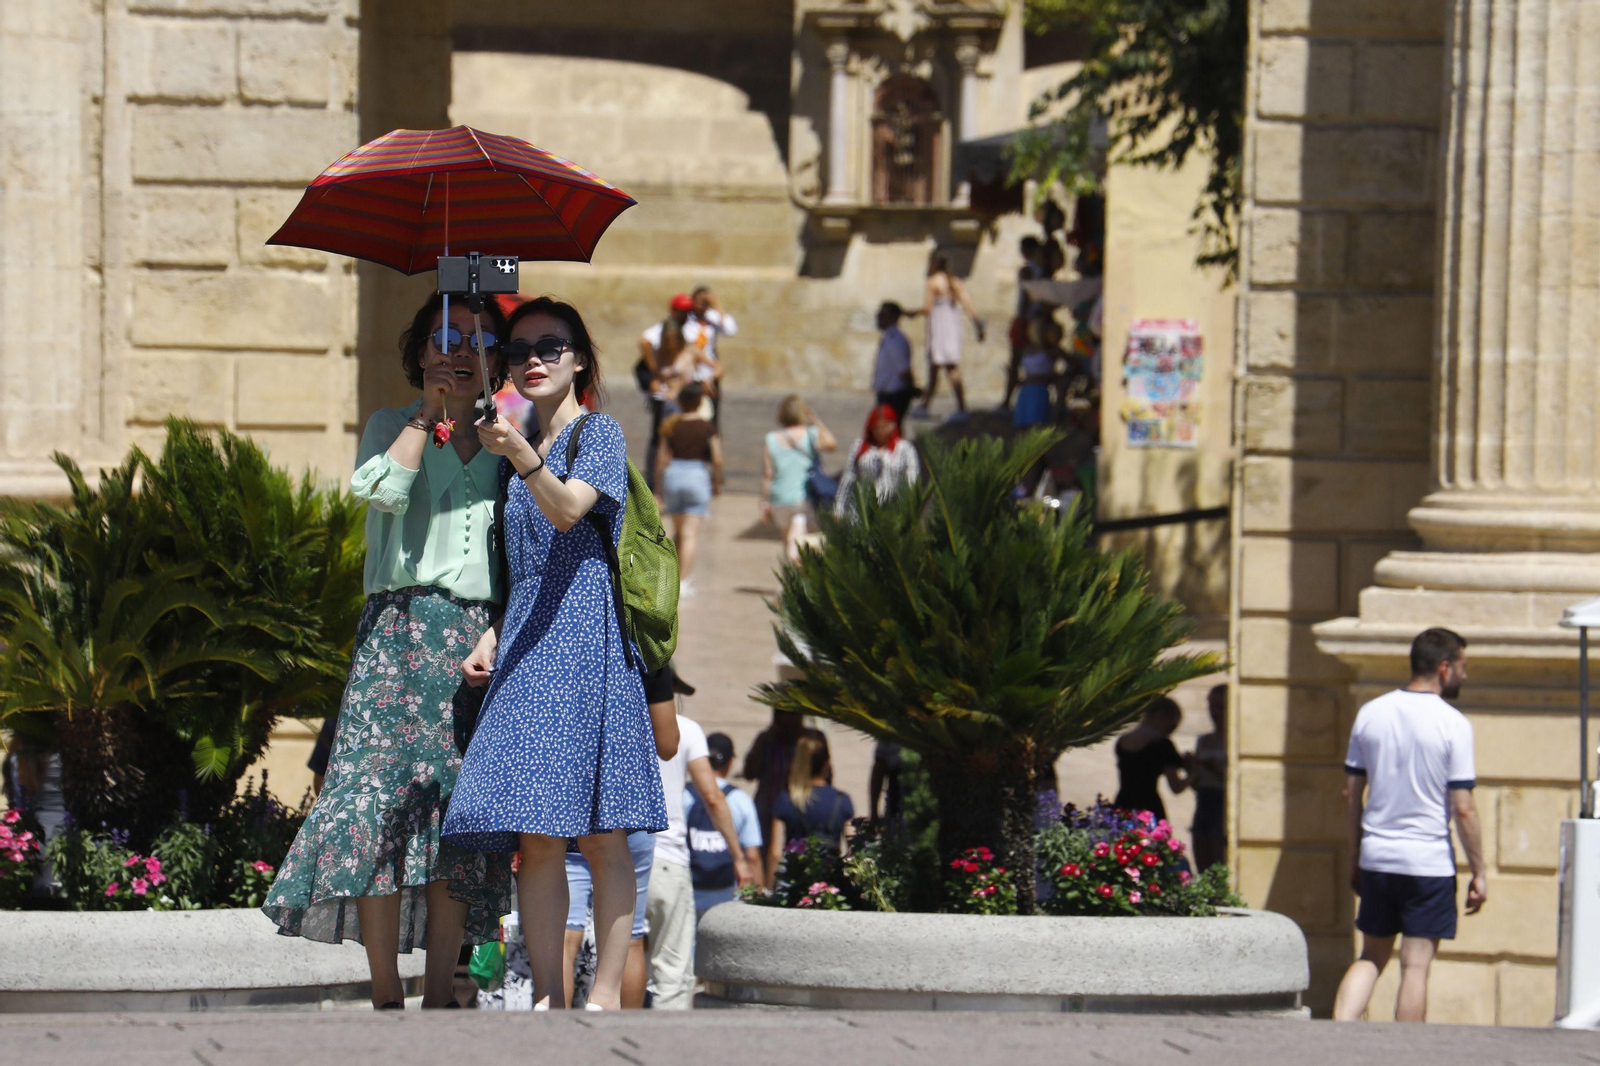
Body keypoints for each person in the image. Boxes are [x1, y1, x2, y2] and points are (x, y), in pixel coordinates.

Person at [262, 293, 516, 1011]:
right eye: (442, 338)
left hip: (471, 644)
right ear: (419, 352)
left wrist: (496, 631)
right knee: (372, 805)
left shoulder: (507, 444)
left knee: (451, 817)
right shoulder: (389, 424)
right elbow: (378, 493)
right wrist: (422, 418)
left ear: (495, 359)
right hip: (396, 636)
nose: (456, 351)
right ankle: (382, 992)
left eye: (473, 340)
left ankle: (440, 991)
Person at [442, 296, 668, 1013]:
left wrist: (521, 453)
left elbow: (570, 509)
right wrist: (493, 631)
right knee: (536, 839)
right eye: (518, 350)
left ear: (579, 360)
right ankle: (548, 994)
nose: (532, 359)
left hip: (590, 643)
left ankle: (602, 995)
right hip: (533, 647)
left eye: (551, 346)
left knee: (601, 835)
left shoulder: (596, 434)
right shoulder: (515, 456)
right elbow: (524, 567)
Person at [1334, 628, 1487, 1024]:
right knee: (1415, 968)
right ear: (1444, 667)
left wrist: (1355, 855)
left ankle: (1336, 1034)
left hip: (1378, 857)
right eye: (1463, 667)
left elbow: (1351, 794)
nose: (1465, 677)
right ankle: (1407, 1055)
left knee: (1370, 956)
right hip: (1428, 862)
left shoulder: (1371, 713)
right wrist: (1480, 871)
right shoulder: (1453, 724)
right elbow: (1464, 807)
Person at [560, 668, 682, 1010]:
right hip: (627, 804)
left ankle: (554, 1022)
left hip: (573, 798)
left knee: (565, 936)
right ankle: (618, 1022)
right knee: (629, 939)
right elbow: (668, 745)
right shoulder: (644, 652)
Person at [647, 705, 753, 1010]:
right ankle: (666, 1045)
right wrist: (738, 856)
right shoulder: (686, 728)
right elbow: (711, 796)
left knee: (626, 956)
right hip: (668, 857)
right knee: (673, 968)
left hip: (623, 856)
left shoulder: (617, 716)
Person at [742, 710, 829, 879]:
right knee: (769, 854)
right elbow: (749, 772)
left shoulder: (813, 739)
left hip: (805, 809)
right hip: (769, 810)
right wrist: (765, 739)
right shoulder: (767, 740)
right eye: (783, 714)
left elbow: (826, 774)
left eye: (793, 714)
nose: (789, 720)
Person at [655, 382, 722, 599]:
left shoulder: (670, 424)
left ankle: (671, 578)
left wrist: (658, 487)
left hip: (674, 475)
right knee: (690, 534)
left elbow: (662, 458)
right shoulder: (707, 426)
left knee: (677, 532)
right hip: (697, 475)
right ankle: (683, 582)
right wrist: (717, 481)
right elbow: (717, 458)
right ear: (700, 402)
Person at [686, 732, 764, 917]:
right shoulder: (741, 800)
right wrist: (758, 902)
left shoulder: (684, 794)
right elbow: (752, 856)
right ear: (731, 762)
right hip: (726, 897)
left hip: (688, 894)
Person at [761, 395, 837, 564]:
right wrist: (816, 420)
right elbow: (832, 444)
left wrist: (764, 502)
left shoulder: (771, 439)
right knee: (799, 545)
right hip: (802, 498)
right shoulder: (811, 434)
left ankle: (789, 582)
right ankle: (799, 581)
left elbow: (768, 474)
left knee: (788, 541)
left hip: (779, 498)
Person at [911, 252, 983, 423]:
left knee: (946, 368)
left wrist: (912, 312)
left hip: (940, 327)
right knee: (939, 368)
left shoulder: (933, 281)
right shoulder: (954, 282)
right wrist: (977, 325)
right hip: (952, 325)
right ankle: (926, 404)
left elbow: (928, 308)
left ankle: (960, 407)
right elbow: (968, 305)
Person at [770, 735, 855, 871]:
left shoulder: (786, 800)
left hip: (795, 879)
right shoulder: (842, 800)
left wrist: (768, 888)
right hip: (831, 882)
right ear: (826, 764)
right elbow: (853, 847)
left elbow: (775, 854)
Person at [1112, 696, 1190, 823]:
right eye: (1171, 727)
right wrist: (1193, 773)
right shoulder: (1163, 745)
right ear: (1162, 716)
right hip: (1149, 807)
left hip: (1123, 804)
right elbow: (1176, 787)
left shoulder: (1122, 741)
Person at [834, 404, 919, 518]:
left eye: (885, 426)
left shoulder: (904, 449)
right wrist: (839, 509)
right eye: (877, 427)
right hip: (862, 511)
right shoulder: (859, 447)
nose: (881, 432)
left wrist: (908, 507)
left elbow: (912, 479)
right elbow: (848, 477)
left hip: (893, 510)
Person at [1002, 235, 1047, 411]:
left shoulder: (1027, 271)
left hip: (1026, 319)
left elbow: (1027, 298)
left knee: (1015, 361)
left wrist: (1023, 320)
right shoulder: (1042, 271)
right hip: (1034, 318)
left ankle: (1007, 401)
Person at [1188, 684, 1228, 873]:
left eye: (1221, 707)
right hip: (1204, 802)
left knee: (1221, 863)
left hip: (1224, 805)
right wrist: (1192, 769)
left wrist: (1216, 768)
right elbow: (1196, 784)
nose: (1215, 713)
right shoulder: (1204, 740)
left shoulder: (1238, 740)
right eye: (1212, 706)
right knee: (1202, 863)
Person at [689, 286, 734, 428]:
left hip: (709, 374)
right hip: (691, 374)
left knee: (711, 417)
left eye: (705, 303)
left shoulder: (712, 319)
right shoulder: (687, 320)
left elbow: (730, 330)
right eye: (699, 302)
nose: (702, 306)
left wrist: (716, 304)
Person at [871, 301, 917, 420]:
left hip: (894, 396)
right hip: (886, 394)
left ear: (893, 317)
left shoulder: (895, 340)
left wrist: (912, 388)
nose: (879, 318)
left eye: (883, 315)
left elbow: (904, 370)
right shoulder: (888, 337)